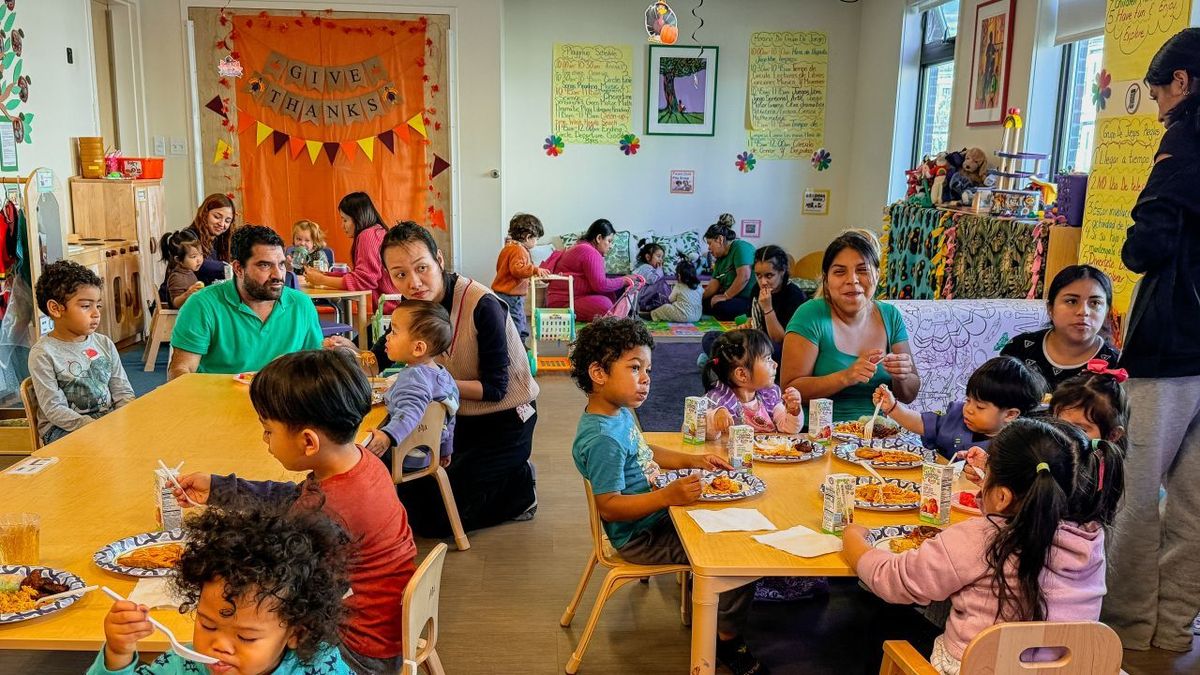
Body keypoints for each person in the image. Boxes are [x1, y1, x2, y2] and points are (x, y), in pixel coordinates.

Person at [171, 350, 417, 674]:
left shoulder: (333, 509)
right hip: (385, 631)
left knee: (234, 628)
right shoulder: (358, 460)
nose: (264, 439)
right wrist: (220, 489)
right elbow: (295, 497)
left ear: (308, 442)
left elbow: (279, 575)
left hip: (357, 654)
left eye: (269, 430)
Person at [568, 317, 767, 675]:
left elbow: (645, 450)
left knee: (730, 518)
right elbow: (610, 507)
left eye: (648, 368)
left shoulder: (616, 414)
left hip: (655, 517)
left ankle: (708, 605)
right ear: (598, 373)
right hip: (640, 538)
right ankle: (726, 637)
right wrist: (668, 497)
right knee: (737, 553)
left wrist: (693, 460)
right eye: (634, 368)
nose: (646, 378)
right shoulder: (603, 439)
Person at [842, 418, 1116, 675]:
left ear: (1003, 495)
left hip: (977, 667)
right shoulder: (1091, 540)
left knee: (887, 622)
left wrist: (854, 539)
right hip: (1071, 668)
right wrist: (996, 487)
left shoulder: (981, 539)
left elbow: (893, 580)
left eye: (988, 475)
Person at [326, 221, 540, 535]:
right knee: (396, 490)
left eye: (422, 268)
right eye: (400, 274)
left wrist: (431, 381)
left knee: (435, 518)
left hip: (505, 422)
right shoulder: (412, 307)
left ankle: (520, 488)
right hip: (452, 422)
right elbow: (378, 358)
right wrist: (352, 355)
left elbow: (496, 389)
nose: (414, 282)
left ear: (439, 260)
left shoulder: (483, 305)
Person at [1102, 27, 1200, 653]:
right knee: (1194, 505)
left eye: (1159, 91)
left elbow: (1146, 244)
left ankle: (1127, 627)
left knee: (1137, 493)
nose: (1159, 105)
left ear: (1183, 84)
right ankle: (1174, 631)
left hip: (1171, 344)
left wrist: (1136, 240)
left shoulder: (1183, 139)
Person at [91, 505, 355, 675]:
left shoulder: (320, 668)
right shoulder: (182, 666)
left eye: (246, 638)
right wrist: (118, 653)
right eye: (208, 625)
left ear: (295, 633)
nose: (219, 646)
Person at [780, 230, 920, 421]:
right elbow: (790, 390)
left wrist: (901, 376)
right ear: (826, 280)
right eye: (839, 272)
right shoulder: (809, 315)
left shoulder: (890, 316)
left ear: (877, 275)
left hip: (879, 436)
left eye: (862, 270)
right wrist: (846, 377)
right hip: (818, 437)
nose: (852, 279)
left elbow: (908, 395)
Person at [168, 225, 322, 378]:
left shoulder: (302, 304)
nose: (278, 275)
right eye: (265, 265)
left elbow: (315, 366)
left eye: (281, 264)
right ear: (238, 268)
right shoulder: (201, 305)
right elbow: (180, 371)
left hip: (281, 400)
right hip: (218, 400)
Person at [27, 260, 134, 445]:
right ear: (55, 309)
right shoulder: (43, 353)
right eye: (86, 306)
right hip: (63, 430)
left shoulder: (104, 344)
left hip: (106, 422)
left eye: (97, 306)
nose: (96, 313)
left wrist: (124, 420)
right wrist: (97, 427)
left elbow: (123, 392)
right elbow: (54, 409)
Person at [872, 356, 1045, 459]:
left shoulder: (1015, 447)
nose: (968, 409)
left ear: (1010, 414)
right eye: (968, 400)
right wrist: (893, 407)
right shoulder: (956, 417)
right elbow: (920, 423)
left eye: (980, 407)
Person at [360, 299, 459, 472]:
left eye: (394, 332)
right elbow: (449, 419)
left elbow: (410, 411)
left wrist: (388, 436)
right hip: (429, 453)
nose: (388, 337)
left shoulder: (414, 377)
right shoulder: (444, 376)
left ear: (418, 348)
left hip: (402, 456)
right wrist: (445, 450)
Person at [1000, 265, 1119, 391]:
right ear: (1050, 308)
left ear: (1106, 312)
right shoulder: (1020, 349)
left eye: (1095, 303)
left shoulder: (1115, 365)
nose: (1083, 311)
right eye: (1071, 301)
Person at [1048, 363, 1129, 526]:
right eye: (1058, 423)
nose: (1064, 433)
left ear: (1113, 435)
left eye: (1080, 429)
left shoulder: (1100, 471)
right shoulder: (1047, 450)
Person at [305, 192, 400, 317]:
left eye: (345, 220)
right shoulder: (377, 231)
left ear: (357, 217)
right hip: (393, 310)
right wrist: (325, 274)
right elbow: (361, 275)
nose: (342, 225)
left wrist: (321, 280)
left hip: (392, 313)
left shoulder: (368, 235)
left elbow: (365, 281)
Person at [703, 328, 803, 436]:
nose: (775, 364)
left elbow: (789, 429)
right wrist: (714, 416)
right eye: (767, 359)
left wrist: (793, 410)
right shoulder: (719, 400)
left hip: (767, 451)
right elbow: (694, 425)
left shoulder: (768, 395)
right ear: (742, 374)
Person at [547, 218, 636, 321]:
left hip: (560, 300)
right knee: (605, 306)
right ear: (599, 238)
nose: (611, 246)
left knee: (609, 295)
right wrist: (624, 280)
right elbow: (600, 285)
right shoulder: (590, 252)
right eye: (609, 241)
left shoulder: (581, 247)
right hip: (564, 302)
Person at [491, 212, 549, 342]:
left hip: (503, 292)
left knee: (515, 318)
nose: (536, 242)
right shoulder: (519, 250)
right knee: (517, 319)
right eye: (536, 239)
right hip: (512, 295)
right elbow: (517, 269)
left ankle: (516, 341)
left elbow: (505, 269)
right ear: (528, 237)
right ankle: (517, 344)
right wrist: (534, 270)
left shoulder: (508, 248)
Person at [748, 244, 808, 363]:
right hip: (763, 341)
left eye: (769, 275)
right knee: (712, 337)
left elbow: (779, 339)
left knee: (768, 349)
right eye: (758, 276)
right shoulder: (756, 289)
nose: (763, 282)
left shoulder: (794, 295)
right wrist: (748, 323)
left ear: (782, 271)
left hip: (787, 349)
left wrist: (768, 308)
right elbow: (755, 324)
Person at [702, 216, 756, 321]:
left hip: (747, 298)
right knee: (703, 304)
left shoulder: (740, 247)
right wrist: (694, 299)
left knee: (721, 309)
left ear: (720, 239)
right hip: (733, 298)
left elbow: (744, 276)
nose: (709, 248)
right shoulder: (719, 260)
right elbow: (712, 287)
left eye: (710, 243)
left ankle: (751, 314)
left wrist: (725, 296)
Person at [184, 193, 236, 286]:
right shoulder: (188, 237)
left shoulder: (220, 240)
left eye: (227, 221)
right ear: (204, 213)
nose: (222, 224)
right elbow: (198, 263)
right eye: (217, 217)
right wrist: (227, 267)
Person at [158, 229, 205, 309]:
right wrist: (188, 294)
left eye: (201, 254)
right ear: (178, 259)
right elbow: (175, 303)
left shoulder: (189, 271)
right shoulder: (176, 277)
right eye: (193, 256)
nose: (199, 259)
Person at [649, 258, 703, 323]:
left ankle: (652, 315)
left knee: (666, 307)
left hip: (685, 316)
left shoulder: (678, 286)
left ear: (679, 276)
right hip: (697, 316)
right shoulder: (699, 286)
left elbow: (670, 299)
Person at [633, 240, 670, 311]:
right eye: (658, 256)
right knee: (661, 283)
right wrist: (659, 269)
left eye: (662, 257)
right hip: (639, 296)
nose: (661, 260)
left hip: (644, 295)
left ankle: (661, 304)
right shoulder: (645, 267)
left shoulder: (650, 268)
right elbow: (652, 279)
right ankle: (666, 302)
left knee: (661, 283)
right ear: (648, 257)